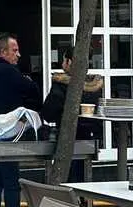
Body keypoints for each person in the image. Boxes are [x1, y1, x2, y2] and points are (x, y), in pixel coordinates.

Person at [0, 32, 41, 207]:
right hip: (8, 133)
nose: (18, 55)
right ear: (3, 52)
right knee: (11, 181)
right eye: (15, 50)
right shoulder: (9, 72)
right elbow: (33, 91)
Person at [41, 47, 103, 182]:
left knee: (66, 178)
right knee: (82, 178)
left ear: (69, 62)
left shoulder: (61, 85)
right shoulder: (94, 86)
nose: (62, 64)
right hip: (88, 139)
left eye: (64, 60)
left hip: (65, 138)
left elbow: (48, 113)